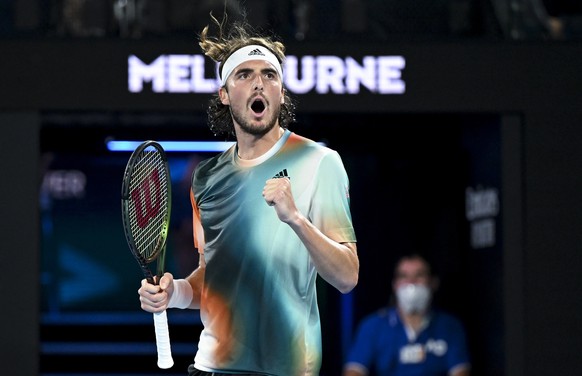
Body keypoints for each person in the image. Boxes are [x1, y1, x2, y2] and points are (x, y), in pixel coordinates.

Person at [137, 11, 359, 376]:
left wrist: (296, 219)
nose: (259, 84)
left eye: (269, 75)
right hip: (211, 365)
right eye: (245, 74)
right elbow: (214, 276)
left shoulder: (319, 162)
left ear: (281, 92)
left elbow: (347, 277)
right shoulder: (206, 178)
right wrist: (173, 292)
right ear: (225, 94)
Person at [342, 253, 470, 376]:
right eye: (404, 276)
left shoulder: (450, 326)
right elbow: (354, 370)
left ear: (433, 282)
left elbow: (460, 371)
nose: (411, 283)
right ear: (395, 285)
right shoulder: (373, 326)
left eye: (419, 275)